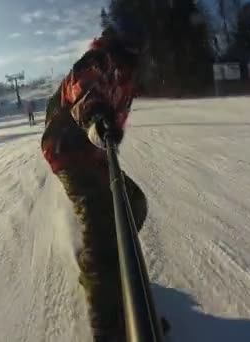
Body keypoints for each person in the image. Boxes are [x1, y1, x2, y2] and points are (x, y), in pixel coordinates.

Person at [41, 16, 159, 341]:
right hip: (68, 149)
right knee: (100, 223)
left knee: (132, 204)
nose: (139, 46)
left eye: (142, 41)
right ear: (120, 37)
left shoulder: (128, 71)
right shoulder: (99, 59)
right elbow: (83, 88)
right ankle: (107, 329)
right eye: (133, 38)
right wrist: (98, 115)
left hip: (95, 152)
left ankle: (111, 276)